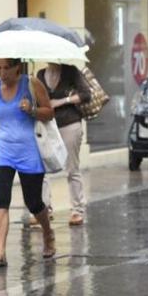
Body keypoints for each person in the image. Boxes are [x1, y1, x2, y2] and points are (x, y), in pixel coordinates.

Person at [0, 58, 57, 269]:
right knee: (0, 201)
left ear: (17, 67)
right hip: (3, 151)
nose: (2, 73)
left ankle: (48, 234)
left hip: (29, 150)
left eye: (6, 68)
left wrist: (32, 110)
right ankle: (0, 253)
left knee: (34, 203)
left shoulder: (31, 84)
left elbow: (49, 112)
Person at [35, 63, 91, 226]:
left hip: (70, 123)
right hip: (48, 126)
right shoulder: (40, 74)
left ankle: (77, 210)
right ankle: (44, 209)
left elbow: (86, 94)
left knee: (72, 167)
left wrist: (61, 101)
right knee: (41, 168)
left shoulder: (70, 71)